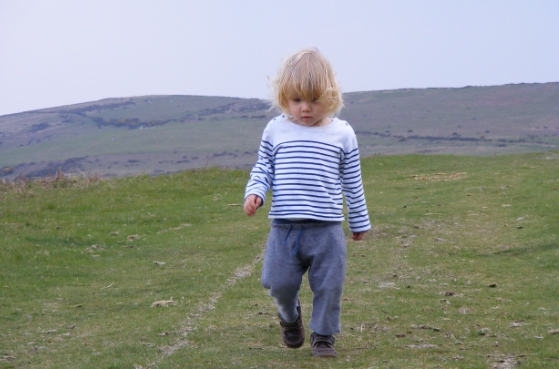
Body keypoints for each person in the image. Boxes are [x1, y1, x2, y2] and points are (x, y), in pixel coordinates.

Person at [244, 47, 371, 358]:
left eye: (314, 101)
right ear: (284, 97)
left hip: (327, 230)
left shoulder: (342, 134)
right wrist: (255, 192)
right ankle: (290, 317)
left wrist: (358, 220)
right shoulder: (276, 129)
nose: (305, 108)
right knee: (277, 283)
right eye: (297, 100)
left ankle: (324, 336)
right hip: (285, 228)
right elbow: (264, 167)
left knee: (329, 286)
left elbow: (352, 181)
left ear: (329, 97)